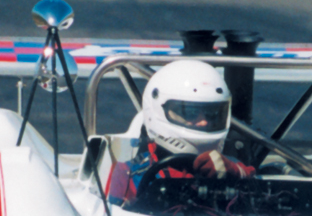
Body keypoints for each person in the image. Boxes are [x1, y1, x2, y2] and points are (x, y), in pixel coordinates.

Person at [107, 60, 254, 205]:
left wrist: (233, 175)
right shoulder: (128, 174)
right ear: (158, 110)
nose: (204, 122)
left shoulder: (232, 167)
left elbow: (260, 192)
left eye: (212, 114)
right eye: (190, 113)